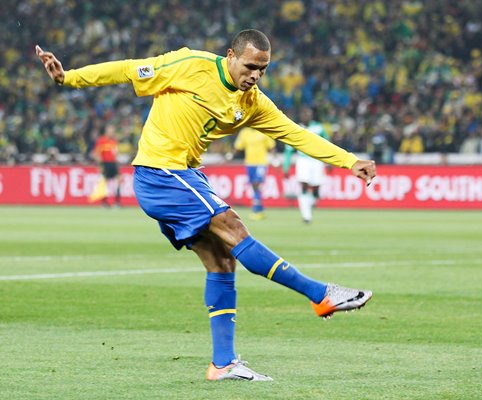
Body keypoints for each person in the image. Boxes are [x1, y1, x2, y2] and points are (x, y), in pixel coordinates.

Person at [36, 29, 376, 382]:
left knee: (222, 260)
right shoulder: (190, 65)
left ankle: (223, 364)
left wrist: (349, 161)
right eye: (249, 66)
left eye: (263, 69)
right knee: (233, 227)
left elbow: (296, 133)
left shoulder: (253, 103)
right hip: (160, 171)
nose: (255, 75)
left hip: (185, 175)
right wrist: (68, 78)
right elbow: (128, 69)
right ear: (230, 55)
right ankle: (320, 294)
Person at [283, 107, 329, 224]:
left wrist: (329, 161)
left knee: (316, 189)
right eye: (304, 114)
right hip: (303, 160)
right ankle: (306, 216)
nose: (306, 116)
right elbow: (289, 149)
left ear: (311, 115)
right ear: (301, 116)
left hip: (317, 160)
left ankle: (308, 204)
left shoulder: (318, 128)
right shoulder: (295, 128)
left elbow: (327, 144)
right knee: (303, 186)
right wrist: (286, 165)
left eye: (308, 114)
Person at [233, 126, 275, 220]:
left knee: (257, 184)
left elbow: (271, 146)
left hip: (261, 163)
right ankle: (260, 210)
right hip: (249, 163)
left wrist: (274, 158)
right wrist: (229, 156)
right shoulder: (244, 132)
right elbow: (238, 146)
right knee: (254, 186)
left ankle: (256, 210)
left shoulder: (263, 130)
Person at [91, 124, 122, 207]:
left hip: (113, 163)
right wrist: (100, 165)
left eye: (112, 131)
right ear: (106, 131)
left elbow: (116, 154)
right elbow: (96, 154)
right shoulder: (101, 141)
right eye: (110, 130)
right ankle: (104, 202)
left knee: (118, 181)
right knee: (104, 183)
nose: (111, 132)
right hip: (105, 163)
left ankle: (117, 202)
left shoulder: (114, 141)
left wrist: (117, 164)